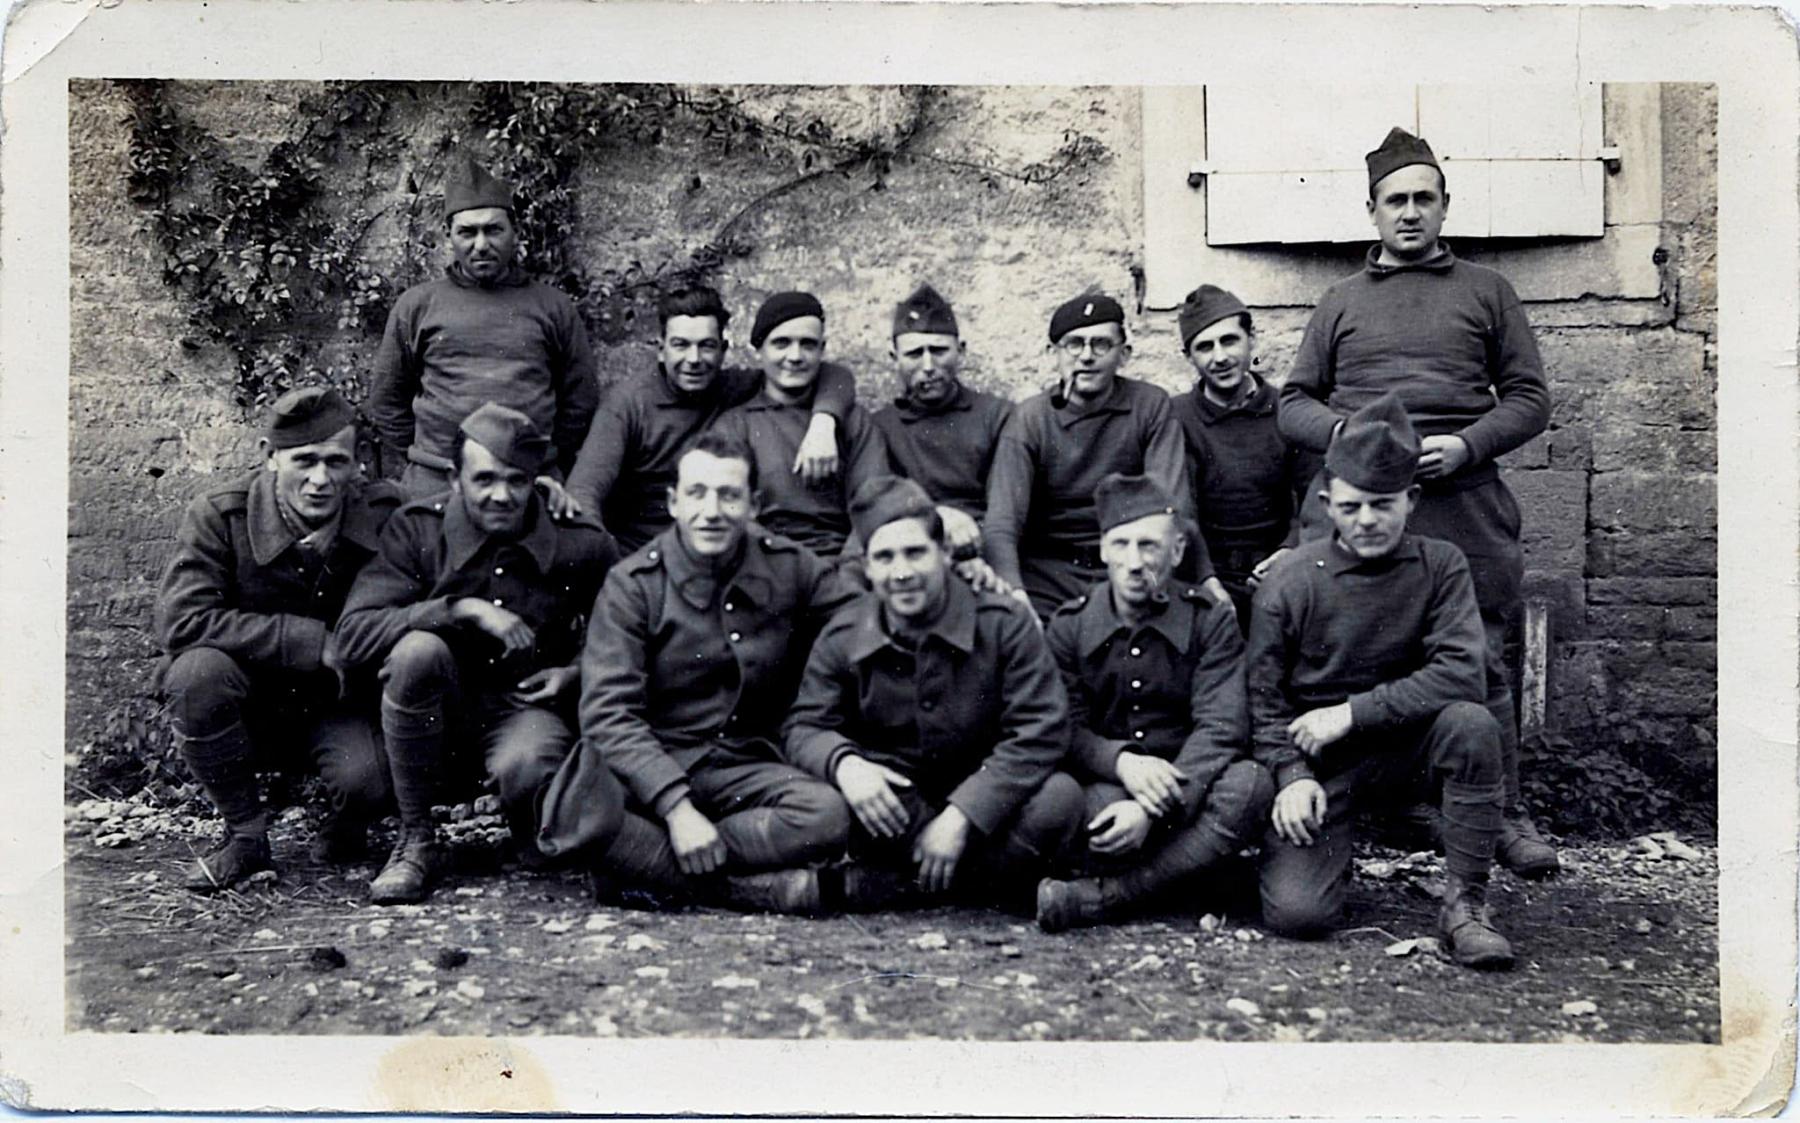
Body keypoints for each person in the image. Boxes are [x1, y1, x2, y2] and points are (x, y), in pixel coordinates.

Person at [1279, 127, 1558, 877]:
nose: (1409, 213)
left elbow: (1530, 398)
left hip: (1460, 499)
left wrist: (1467, 444)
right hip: (1363, 504)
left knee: (1483, 655)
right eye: (1395, 200)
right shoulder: (1340, 302)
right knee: (1358, 650)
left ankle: (1504, 812)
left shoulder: (1487, 292)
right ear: (1371, 211)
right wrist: (1350, 440)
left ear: (1444, 206)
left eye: (1423, 199)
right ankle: (1398, 801)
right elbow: (1294, 402)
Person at [1250, 393, 1515, 970]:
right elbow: (1263, 701)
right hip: (1323, 764)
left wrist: (1351, 713)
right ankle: (1321, 855)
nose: (1367, 520)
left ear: (1411, 500)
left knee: (1470, 725)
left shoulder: (1441, 565)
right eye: (1350, 507)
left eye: (1382, 504)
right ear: (1327, 505)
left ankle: (1466, 905)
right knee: (1299, 915)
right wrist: (1292, 776)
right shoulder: (1290, 580)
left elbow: (1462, 672)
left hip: (1406, 748)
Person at [334, 403, 617, 903]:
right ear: (454, 478)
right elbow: (353, 636)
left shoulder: (578, 541)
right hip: (430, 715)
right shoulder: (416, 530)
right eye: (484, 479)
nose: (501, 495)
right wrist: (458, 609)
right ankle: (415, 839)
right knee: (417, 652)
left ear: (537, 481)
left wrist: (575, 671)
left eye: (516, 480)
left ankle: (529, 826)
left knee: (529, 764)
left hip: (520, 709)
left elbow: (625, 628)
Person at [576, 431, 858, 915]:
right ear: (674, 503)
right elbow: (608, 715)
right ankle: (751, 890)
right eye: (697, 493)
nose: (711, 511)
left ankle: (652, 866)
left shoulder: (789, 565)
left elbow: (860, 620)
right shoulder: (632, 585)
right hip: (658, 760)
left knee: (827, 815)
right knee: (584, 808)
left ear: (754, 505)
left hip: (746, 765)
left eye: (729, 495)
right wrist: (676, 808)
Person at [784, 476, 1083, 914]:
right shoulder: (844, 634)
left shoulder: (1004, 622)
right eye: (884, 557)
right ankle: (984, 887)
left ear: (944, 553)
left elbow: (1043, 729)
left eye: (915, 552)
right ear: (867, 568)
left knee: (1059, 798)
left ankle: (892, 888)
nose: (901, 572)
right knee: (836, 804)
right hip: (899, 813)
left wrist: (963, 816)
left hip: (987, 808)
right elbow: (805, 726)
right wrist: (846, 765)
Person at [155, 387, 402, 892]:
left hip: (338, 705)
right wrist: (310, 641)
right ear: (270, 456)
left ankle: (347, 822)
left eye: (336, 462)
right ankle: (245, 837)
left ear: (357, 461)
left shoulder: (383, 513)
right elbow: (181, 621)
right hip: (251, 703)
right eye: (304, 461)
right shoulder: (221, 515)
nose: (320, 479)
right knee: (196, 674)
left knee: (367, 784)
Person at [1036, 473, 1273, 932]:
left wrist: (1152, 808)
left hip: (1191, 789)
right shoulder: (1069, 626)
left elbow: (1222, 726)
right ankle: (1187, 874)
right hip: (1110, 788)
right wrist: (1120, 762)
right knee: (1073, 804)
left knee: (1250, 786)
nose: (1134, 562)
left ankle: (1108, 898)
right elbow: (1062, 728)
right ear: (1103, 550)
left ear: (1178, 551)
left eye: (1149, 546)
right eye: (1121, 545)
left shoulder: (1210, 620)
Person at [563, 283, 860, 555]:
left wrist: (824, 422)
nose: (694, 359)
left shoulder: (736, 386)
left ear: (723, 350)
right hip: (640, 554)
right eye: (681, 345)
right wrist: (605, 561)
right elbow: (584, 491)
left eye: (706, 345)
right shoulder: (628, 404)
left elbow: (831, 374)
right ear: (661, 350)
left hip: (716, 548)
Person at [368, 156, 598, 503]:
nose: (480, 245)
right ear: (448, 235)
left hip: (527, 481)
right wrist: (432, 457)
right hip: (438, 481)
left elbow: (581, 400)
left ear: (514, 231)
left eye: (493, 230)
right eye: (467, 232)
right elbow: (386, 400)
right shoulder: (417, 305)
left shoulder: (553, 306)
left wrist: (539, 457)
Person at [984, 292, 1226, 620]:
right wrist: (1014, 593)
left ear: (1123, 355)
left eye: (1101, 344)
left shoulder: (1149, 405)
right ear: (1053, 354)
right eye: (1074, 344)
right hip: (1048, 574)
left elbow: (1173, 506)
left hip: (1130, 564)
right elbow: (1003, 521)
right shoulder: (1030, 419)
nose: (1086, 356)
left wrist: (1205, 576)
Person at [1169, 284, 1311, 630]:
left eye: (1229, 341)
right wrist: (1205, 579)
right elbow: (1179, 508)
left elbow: (1315, 496)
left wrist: (1290, 551)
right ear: (1188, 357)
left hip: (1281, 569)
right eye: (1204, 347)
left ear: (1252, 340)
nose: (1220, 357)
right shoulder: (1176, 418)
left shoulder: (1287, 411)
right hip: (1203, 574)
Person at [710, 291, 891, 560]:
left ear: (822, 349)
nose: (795, 356)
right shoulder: (735, 425)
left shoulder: (854, 421)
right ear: (759, 349)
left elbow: (875, 503)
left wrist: (849, 569)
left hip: (841, 563)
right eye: (781, 343)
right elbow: (731, 511)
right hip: (764, 562)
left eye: (807, 344)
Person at [869, 283, 1013, 559]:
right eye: (914, 354)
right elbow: (879, 500)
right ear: (894, 358)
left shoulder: (998, 416)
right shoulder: (878, 427)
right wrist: (936, 514)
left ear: (961, 351)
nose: (928, 366)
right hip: (913, 550)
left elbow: (1005, 510)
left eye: (938, 351)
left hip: (985, 546)